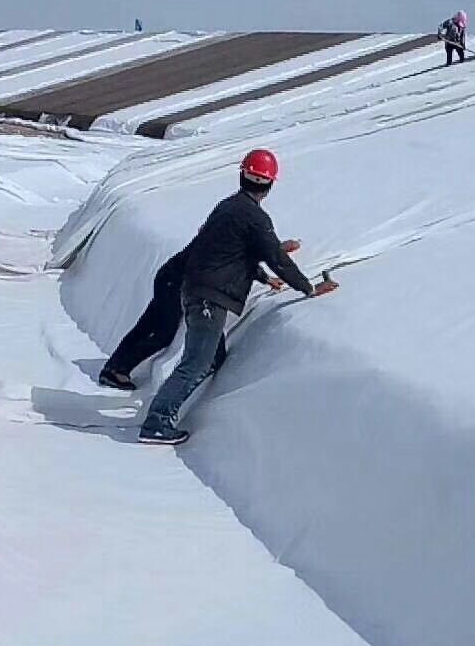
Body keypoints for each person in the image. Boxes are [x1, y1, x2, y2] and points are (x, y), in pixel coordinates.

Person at [138, 149, 337, 445]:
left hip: (194, 290)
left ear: (242, 174)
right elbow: (274, 256)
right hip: (210, 300)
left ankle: (178, 409)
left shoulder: (227, 208)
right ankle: (156, 422)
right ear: (270, 185)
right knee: (196, 363)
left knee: (212, 358)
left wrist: (264, 277)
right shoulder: (255, 218)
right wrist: (308, 288)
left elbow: (232, 253)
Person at [98, 238, 299, 391]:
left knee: (147, 325)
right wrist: (268, 274)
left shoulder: (223, 229)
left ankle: (115, 367)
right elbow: (239, 258)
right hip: (176, 282)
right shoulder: (227, 237)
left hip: (170, 276)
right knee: (162, 334)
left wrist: (274, 254)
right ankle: (118, 369)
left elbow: (243, 253)